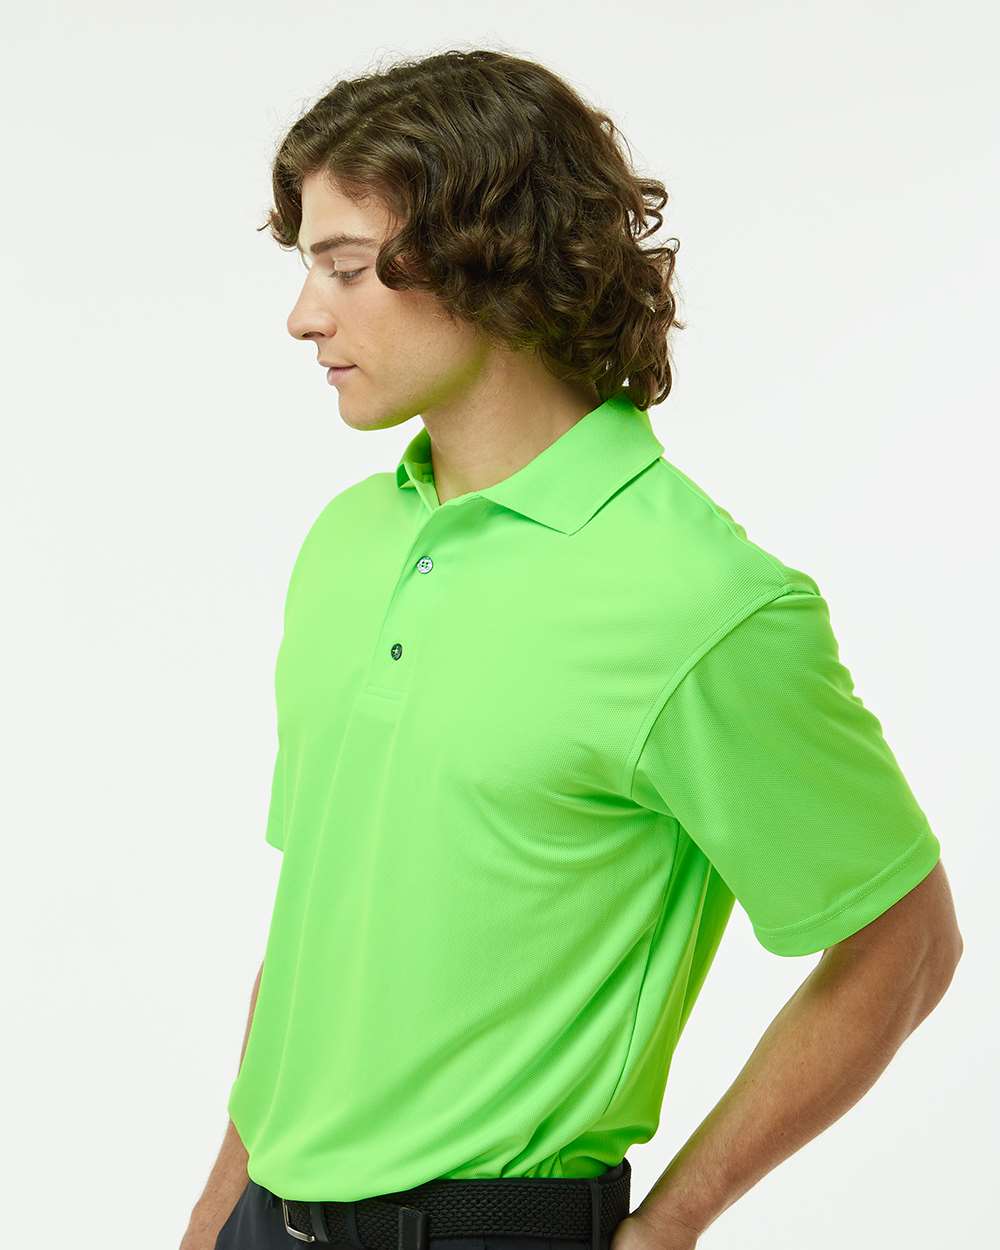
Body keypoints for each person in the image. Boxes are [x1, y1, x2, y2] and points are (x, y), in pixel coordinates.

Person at [180, 47, 963, 1250]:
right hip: (261, 1220)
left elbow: (903, 942)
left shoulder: (699, 601)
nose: (304, 315)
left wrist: (668, 1224)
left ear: (487, 256)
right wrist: (218, 1205)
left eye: (345, 266)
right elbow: (317, 923)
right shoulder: (348, 540)